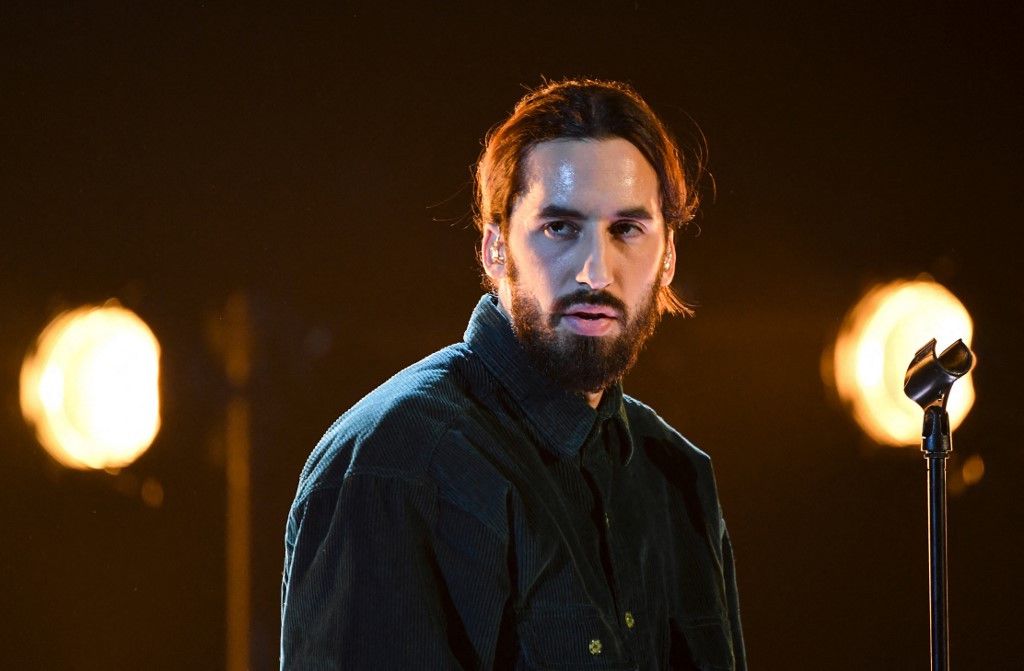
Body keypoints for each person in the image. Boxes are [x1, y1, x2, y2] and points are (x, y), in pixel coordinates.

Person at [280, 78, 746, 670]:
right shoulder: (399, 462)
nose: (596, 273)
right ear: (495, 248)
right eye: (560, 227)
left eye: (626, 229)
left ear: (669, 255)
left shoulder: (676, 475)